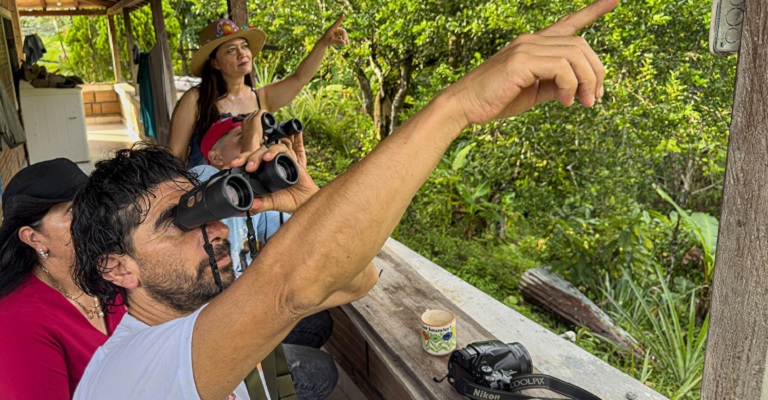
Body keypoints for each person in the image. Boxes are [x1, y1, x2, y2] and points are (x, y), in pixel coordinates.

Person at [72, 1, 617, 398]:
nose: (213, 227)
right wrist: (459, 104)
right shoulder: (128, 376)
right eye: (178, 222)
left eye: (206, 208)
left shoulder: (198, 295)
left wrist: (305, 205)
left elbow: (358, 281)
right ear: (117, 267)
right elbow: (290, 285)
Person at [196, 116, 338, 398]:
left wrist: (294, 187)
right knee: (321, 371)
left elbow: (304, 242)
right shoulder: (199, 178)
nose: (259, 146)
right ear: (214, 156)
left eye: (261, 140)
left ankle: (276, 383)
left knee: (318, 322)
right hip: (216, 337)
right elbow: (217, 190)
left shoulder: (254, 200)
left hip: (241, 316)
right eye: (241, 139)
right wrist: (251, 146)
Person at [0, 158, 127, 399]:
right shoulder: (13, 323)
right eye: (73, 211)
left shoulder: (103, 275)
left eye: (92, 204)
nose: (95, 217)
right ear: (33, 238)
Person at [169, 15, 348, 167]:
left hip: (256, 194)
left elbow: (299, 79)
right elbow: (175, 157)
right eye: (231, 50)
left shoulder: (261, 97)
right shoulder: (195, 99)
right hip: (211, 196)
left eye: (244, 46)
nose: (242, 54)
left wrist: (324, 43)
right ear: (214, 63)